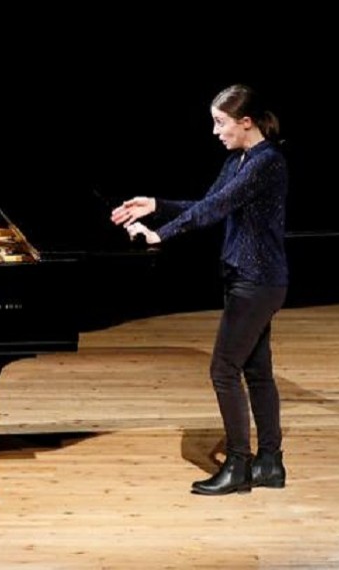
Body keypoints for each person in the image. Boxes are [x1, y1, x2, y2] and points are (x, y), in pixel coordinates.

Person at [110, 84, 289, 496]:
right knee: (257, 371)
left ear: (246, 122)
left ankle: (239, 465)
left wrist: (161, 236)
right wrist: (156, 205)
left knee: (223, 370)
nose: (215, 131)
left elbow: (212, 211)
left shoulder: (268, 163)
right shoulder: (241, 159)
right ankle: (270, 464)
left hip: (257, 280)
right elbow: (208, 201)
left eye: (220, 122)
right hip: (249, 279)